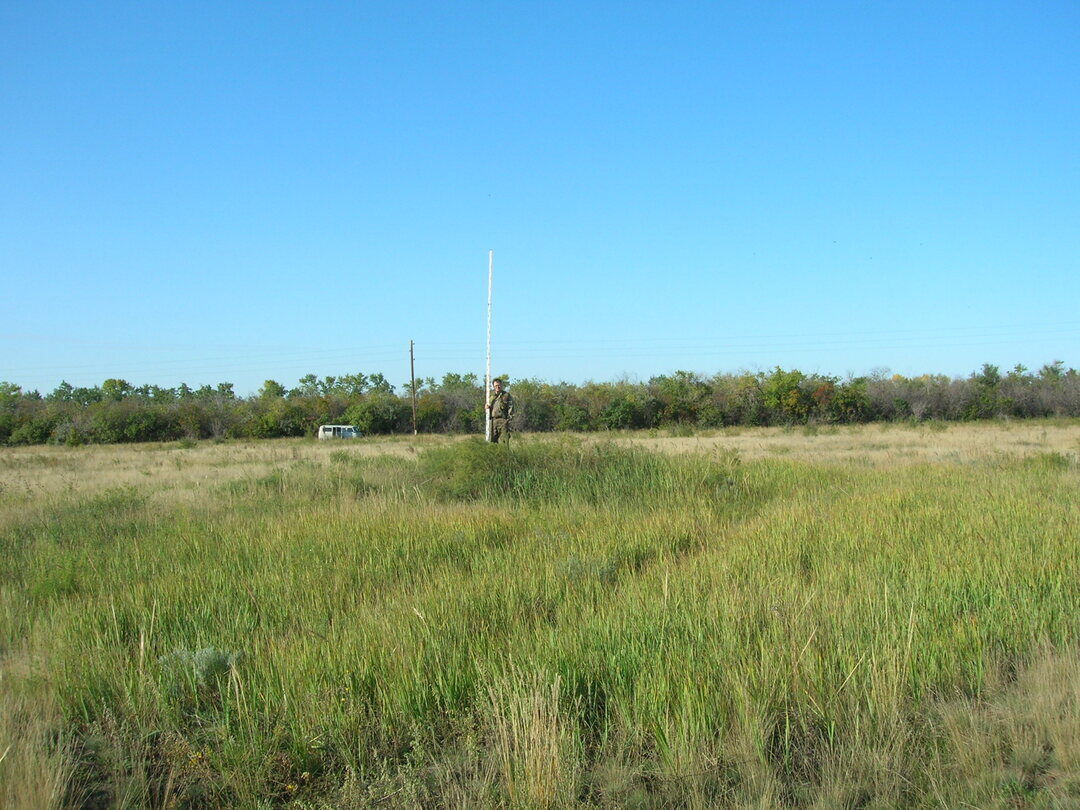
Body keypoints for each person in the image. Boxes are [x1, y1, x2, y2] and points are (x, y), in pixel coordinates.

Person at [486, 378, 514, 443]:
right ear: (493, 386)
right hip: (493, 421)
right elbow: (488, 407)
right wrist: (486, 407)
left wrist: (508, 420)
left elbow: (511, 407)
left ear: (501, 385)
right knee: (493, 441)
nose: (497, 387)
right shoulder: (491, 396)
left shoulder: (506, 395)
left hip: (503, 420)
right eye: (496, 385)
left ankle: (505, 453)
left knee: (504, 441)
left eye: (499, 385)